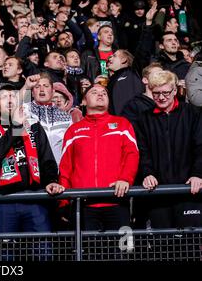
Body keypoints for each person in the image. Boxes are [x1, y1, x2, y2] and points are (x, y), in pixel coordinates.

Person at [47, 84, 139, 231]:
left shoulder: (123, 124)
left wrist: (125, 179)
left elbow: (132, 154)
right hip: (83, 204)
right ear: (83, 101)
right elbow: (66, 167)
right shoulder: (74, 130)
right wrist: (63, 203)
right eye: (94, 92)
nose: (100, 94)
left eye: (104, 93)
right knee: (88, 253)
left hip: (117, 201)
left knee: (121, 252)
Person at [0, 83, 59, 233]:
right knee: (5, 254)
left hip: (35, 198)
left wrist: (52, 181)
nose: (10, 100)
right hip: (3, 201)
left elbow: (47, 159)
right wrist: (16, 125)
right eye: (4, 97)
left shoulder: (34, 126)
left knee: (42, 252)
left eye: (13, 96)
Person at [135, 70, 202, 228]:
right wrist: (147, 173)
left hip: (189, 190)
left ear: (175, 90)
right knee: (163, 246)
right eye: (156, 93)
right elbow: (142, 151)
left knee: (189, 244)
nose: (161, 97)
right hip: (158, 193)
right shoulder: (144, 119)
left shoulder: (193, 113)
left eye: (165, 92)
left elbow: (200, 147)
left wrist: (198, 174)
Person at [23, 73, 74, 165]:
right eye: (37, 87)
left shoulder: (66, 117)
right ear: (32, 93)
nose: (42, 89)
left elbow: (71, 147)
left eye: (46, 86)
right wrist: (26, 86)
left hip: (58, 170)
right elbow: (6, 113)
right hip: (32, 170)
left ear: (53, 91)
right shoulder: (24, 110)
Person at [106, 49, 144, 115]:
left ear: (124, 60)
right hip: (115, 123)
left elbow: (143, 53)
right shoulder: (112, 80)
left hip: (130, 122)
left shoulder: (132, 73)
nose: (110, 58)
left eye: (114, 56)